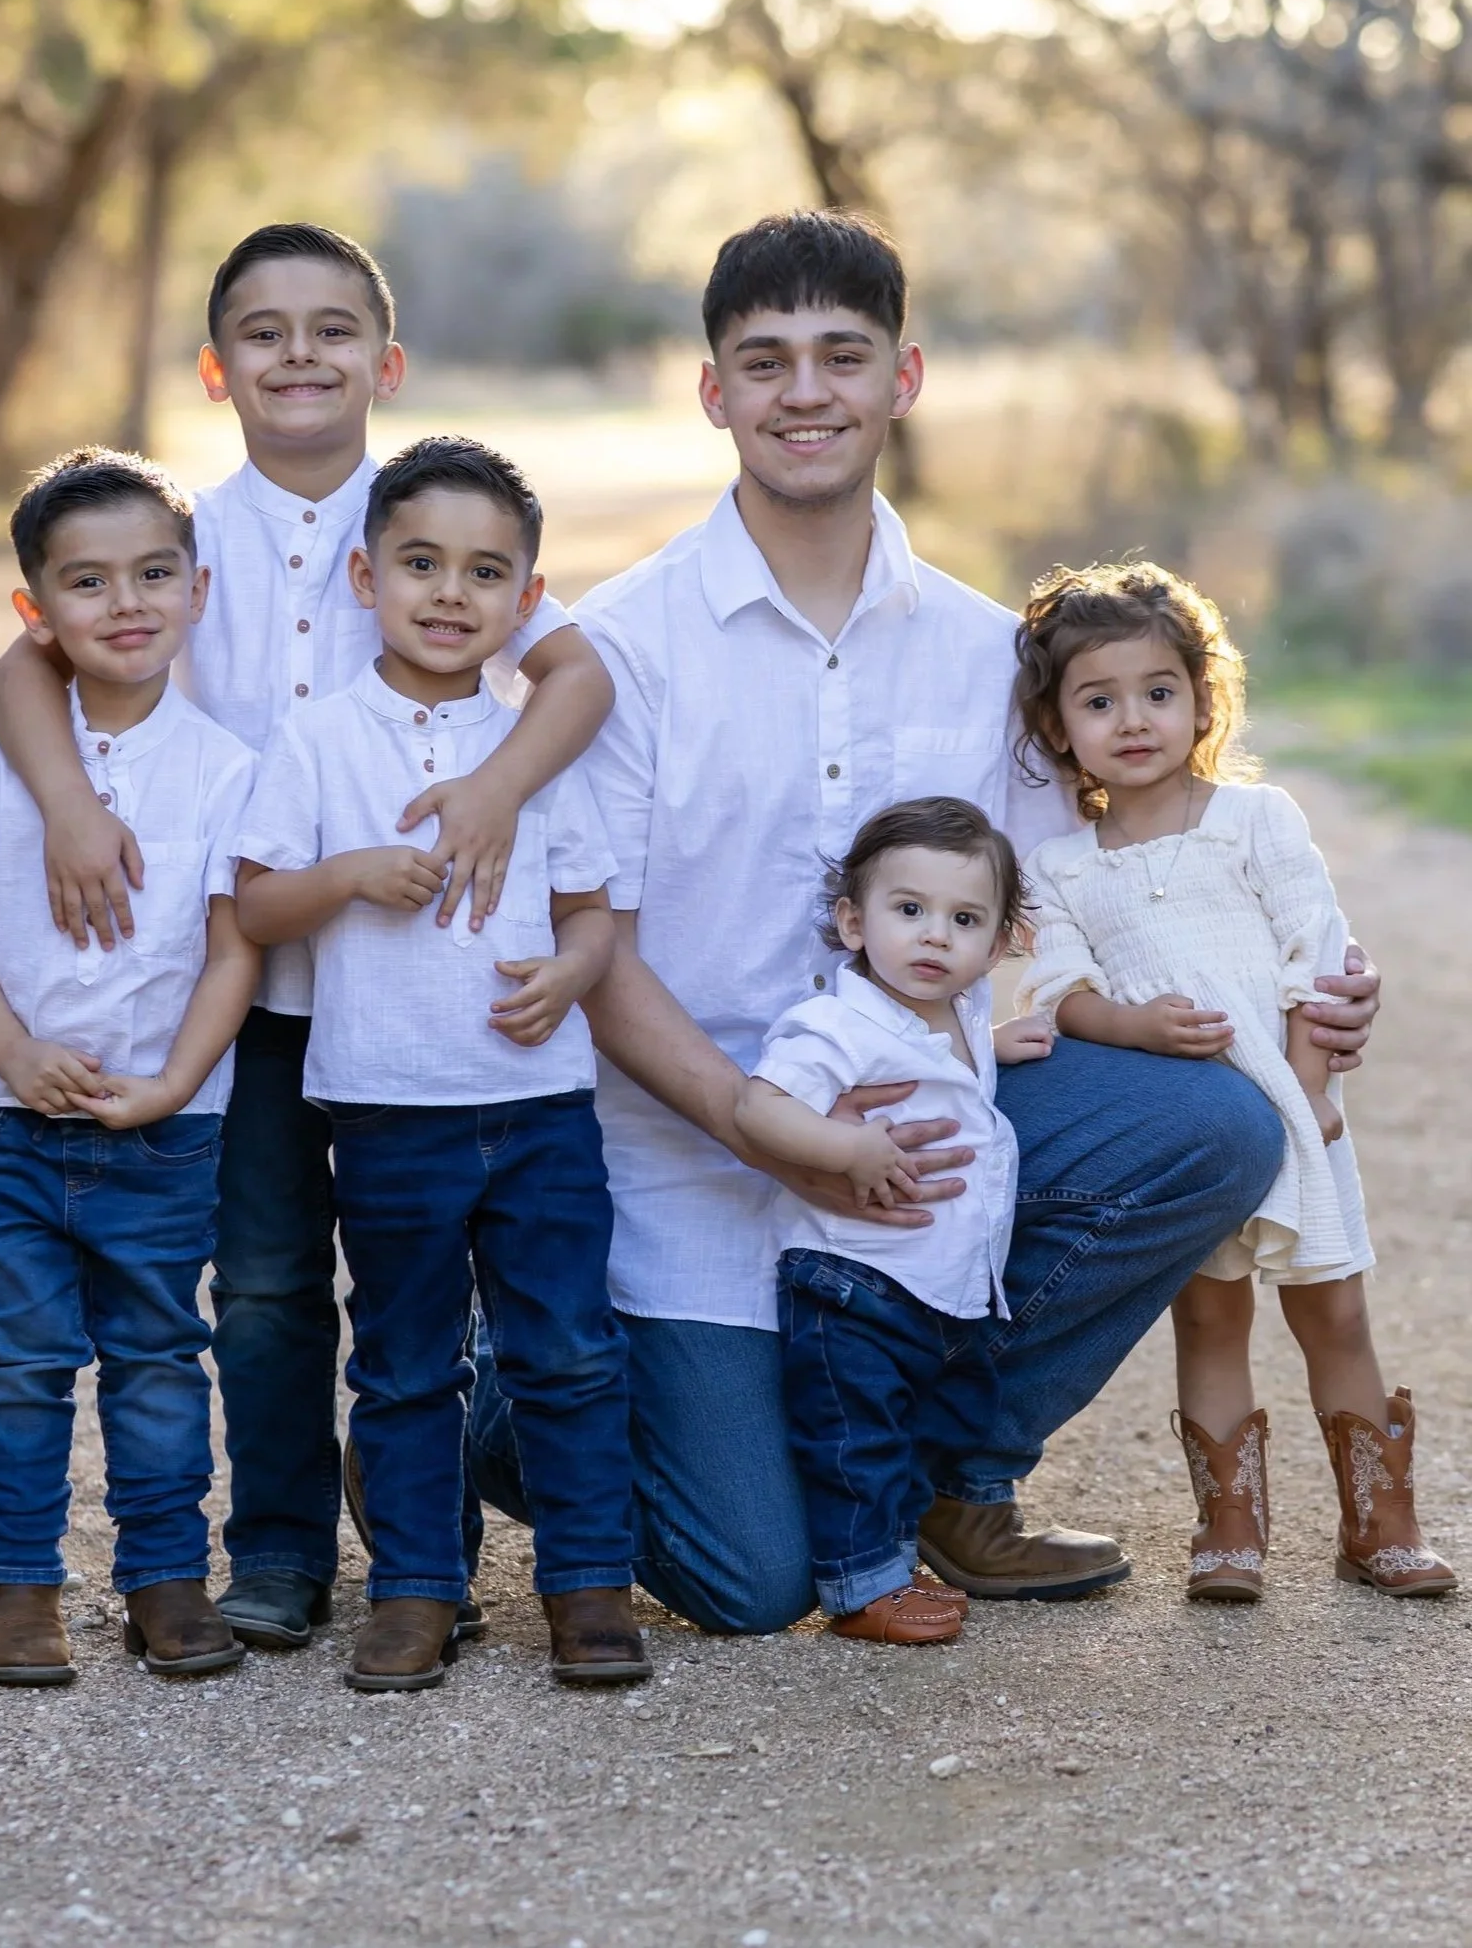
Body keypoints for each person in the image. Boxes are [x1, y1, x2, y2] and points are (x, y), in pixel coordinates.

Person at [467, 207, 1380, 1634]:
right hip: (692, 1152)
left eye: (844, 353)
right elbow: (600, 952)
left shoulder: (983, 653)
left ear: (905, 376)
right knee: (756, 1583)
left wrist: (1295, 995)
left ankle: (954, 1476)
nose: (806, 391)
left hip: (928, 1142)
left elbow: (1077, 906)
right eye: (765, 361)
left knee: (1212, 1127)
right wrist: (765, 1122)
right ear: (715, 392)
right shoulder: (624, 648)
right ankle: (506, 1399)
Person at [0, 225, 614, 1650]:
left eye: (334, 329)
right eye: (263, 332)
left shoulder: (430, 530)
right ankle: (276, 1545)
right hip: (253, 973)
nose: (300, 355)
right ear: (217, 369)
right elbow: (21, 665)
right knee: (263, 1274)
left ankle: (424, 1554)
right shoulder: (178, 536)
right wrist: (73, 805)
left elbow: (577, 673)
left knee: (422, 1276)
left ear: (385, 362)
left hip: (420, 978)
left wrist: (494, 787)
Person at [234, 436, 649, 1693]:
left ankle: (586, 1586)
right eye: (420, 562)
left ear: (527, 600)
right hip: (386, 1107)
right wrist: (353, 874)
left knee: (566, 1348)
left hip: (537, 1108)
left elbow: (592, 913)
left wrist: (572, 973)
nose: (449, 592)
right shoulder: (318, 740)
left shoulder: (535, 749)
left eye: (484, 571)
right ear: (364, 577)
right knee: (407, 1360)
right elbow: (254, 909)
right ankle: (416, 1590)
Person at [1012, 560, 1455, 1602]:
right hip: (1190, 1138)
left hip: (1295, 1122)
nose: (1132, 719)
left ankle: (1378, 1524)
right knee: (1208, 1321)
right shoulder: (1060, 866)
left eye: (1157, 692)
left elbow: (1317, 950)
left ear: (1202, 701)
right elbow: (1060, 990)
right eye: (1097, 699)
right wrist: (1131, 1025)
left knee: (1333, 1317)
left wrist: (1309, 1095)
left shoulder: (1257, 822)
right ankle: (1227, 1530)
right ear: (1056, 726)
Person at [0, 449, 262, 1685]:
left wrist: (172, 1083)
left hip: (163, 1130)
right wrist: (6, 1050)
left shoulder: (223, 772)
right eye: (89, 581)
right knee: (21, 1360)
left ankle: (164, 1578)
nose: (127, 603)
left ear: (197, 590)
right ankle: (19, 1585)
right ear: (36, 613)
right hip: (9, 1126)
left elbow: (232, 952)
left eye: (155, 573)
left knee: (160, 1360)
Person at [735, 798, 1054, 1646]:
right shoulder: (834, 1025)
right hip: (852, 1283)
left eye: (963, 919)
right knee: (857, 1439)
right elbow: (759, 1107)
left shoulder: (962, 1011)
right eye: (907, 910)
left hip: (938, 1290)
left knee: (925, 1433)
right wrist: (846, 1147)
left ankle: (895, 1560)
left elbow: (958, 1059)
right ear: (852, 921)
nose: (933, 937)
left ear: (995, 943)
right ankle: (862, 1588)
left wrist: (1003, 1044)